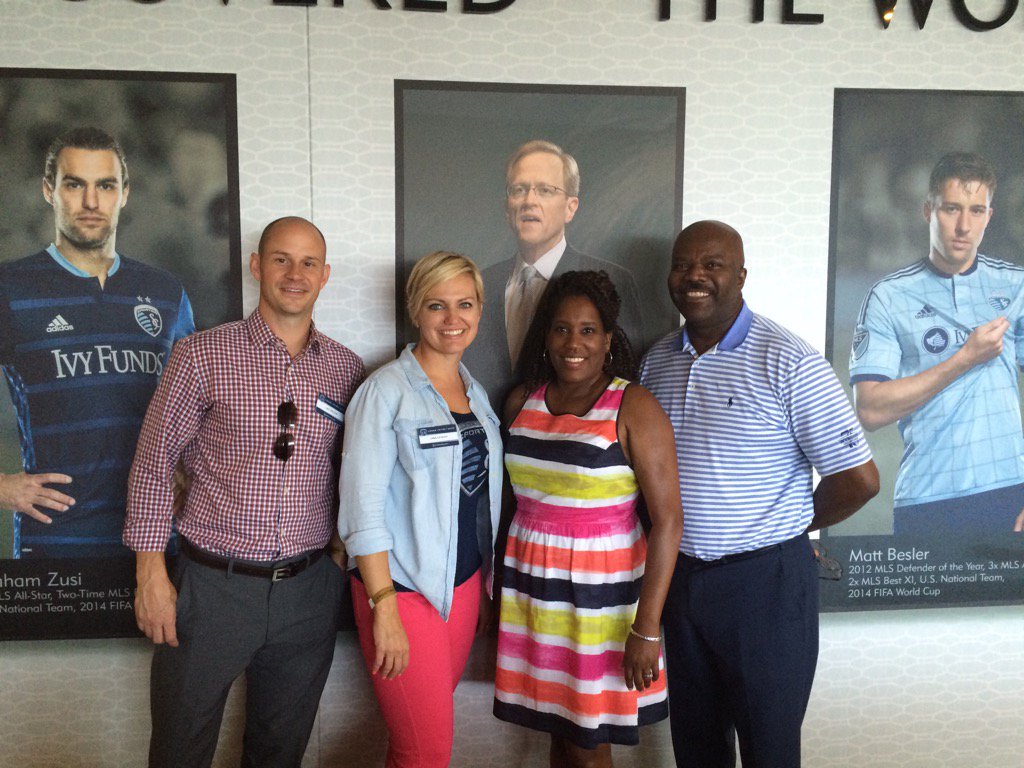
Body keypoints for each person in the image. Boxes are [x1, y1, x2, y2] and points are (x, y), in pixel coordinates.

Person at [123, 216, 364, 768]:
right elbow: (154, 464)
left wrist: (335, 555)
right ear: (257, 267)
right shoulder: (201, 355)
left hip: (308, 592)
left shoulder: (346, 370)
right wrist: (149, 573)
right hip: (212, 590)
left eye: (308, 263)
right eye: (281, 259)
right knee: (180, 748)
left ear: (325, 275)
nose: (294, 274)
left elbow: (353, 470)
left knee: (279, 752)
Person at [640, 220, 879, 768]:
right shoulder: (657, 362)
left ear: (742, 276)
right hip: (681, 583)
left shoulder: (788, 361)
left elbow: (860, 479)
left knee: (769, 750)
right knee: (697, 750)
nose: (694, 276)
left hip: (765, 590)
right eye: (682, 265)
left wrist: (792, 524)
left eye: (713, 265)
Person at [494, 270, 684, 768]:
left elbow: (668, 523)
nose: (573, 342)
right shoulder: (522, 403)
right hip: (534, 597)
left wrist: (646, 630)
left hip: (602, 607)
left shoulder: (632, 406)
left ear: (607, 339)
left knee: (587, 745)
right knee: (559, 735)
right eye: (561, 329)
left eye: (587, 330)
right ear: (546, 336)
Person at [337, 251, 502, 768]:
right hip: (402, 593)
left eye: (465, 304)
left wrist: (483, 590)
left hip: (463, 589)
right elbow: (361, 506)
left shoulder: (476, 394)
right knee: (427, 752)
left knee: (413, 745)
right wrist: (384, 606)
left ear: (480, 311)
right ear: (416, 310)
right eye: (437, 305)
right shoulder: (384, 391)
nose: (452, 319)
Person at [0, 126, 195, 558]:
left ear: (124, 193)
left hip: (157, 542)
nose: (91, 202)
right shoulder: (10, 287)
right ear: (49, 191)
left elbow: (197, 406)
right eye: (75, 184)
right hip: (57, 544)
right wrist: (1, 487)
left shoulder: (164, 290)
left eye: (106, 185)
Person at [849, 152, 1024, 535]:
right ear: (928, 211)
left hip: (1008, 493)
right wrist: (964, 359)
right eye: (951, 209)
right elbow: (870, 411)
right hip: (926, 499)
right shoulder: (889, 296)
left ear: (989, 217)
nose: (964, 225)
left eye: (977, 210)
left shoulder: (1017, 286)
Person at [462, 140, 645, 409]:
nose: (529, 201)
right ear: (507, 207)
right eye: (519, 190)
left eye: (545, 190)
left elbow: (625, 375)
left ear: (570, 207)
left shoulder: (613, 282)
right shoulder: (480, 283)